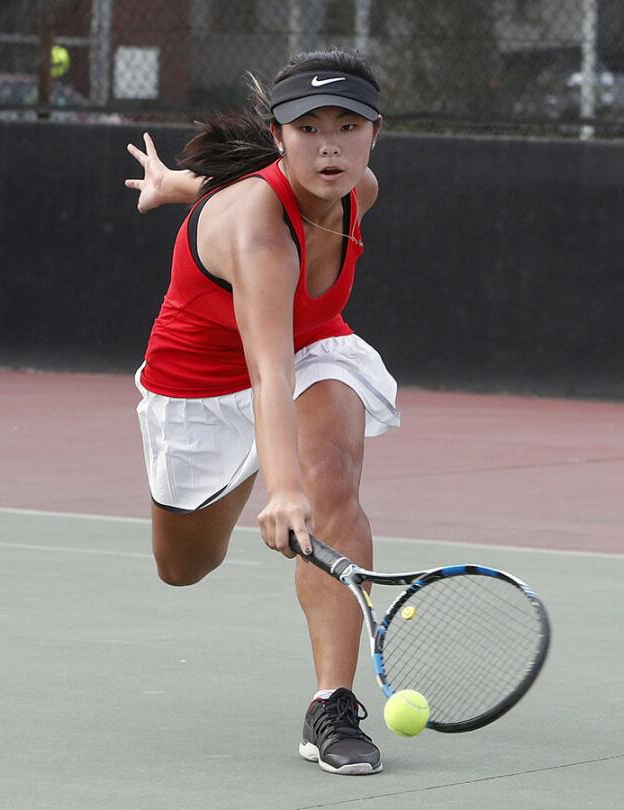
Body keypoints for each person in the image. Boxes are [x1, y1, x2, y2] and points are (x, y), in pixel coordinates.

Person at [123, 49, 399, 776]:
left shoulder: (357, 190)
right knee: (182, 568)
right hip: (200, 386)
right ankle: (261, 474)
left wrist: (173, 185)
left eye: (348, 125)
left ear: (377, 131)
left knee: (330, 478)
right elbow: (263, 372)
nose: (330, 145)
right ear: (279, 138)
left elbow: (287, 364)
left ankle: (331, 704)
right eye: (309, 128)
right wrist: (278, 489)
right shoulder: (255, 228)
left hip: (311, 354)